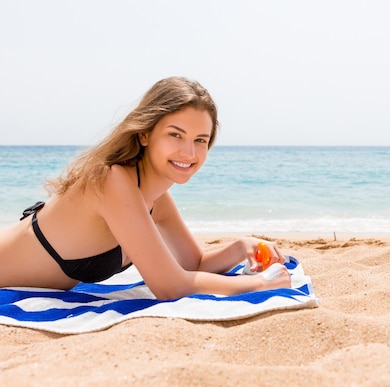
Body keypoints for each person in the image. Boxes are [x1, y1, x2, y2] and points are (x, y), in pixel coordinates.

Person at [0, 77, 292, 299]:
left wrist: (241, 247)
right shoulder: (112, 180)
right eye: (176, 135)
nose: (189, 153)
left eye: (200, 140)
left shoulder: (156, 197)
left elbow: (193, 265)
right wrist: (260, 284)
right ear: (144, 134)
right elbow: (170, 286)